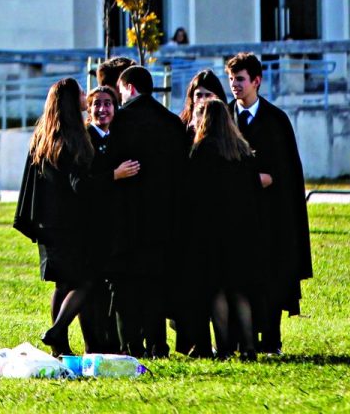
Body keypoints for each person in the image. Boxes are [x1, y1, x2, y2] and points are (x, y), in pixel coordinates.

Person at [226, 52, 312, 355]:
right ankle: (239, 338)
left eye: (240, 79)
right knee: (238, 278)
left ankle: (271, 340)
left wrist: (263, 178)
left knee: (271, 278)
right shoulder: (225, 117)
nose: (235, 85)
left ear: (257, 81)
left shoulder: (276, 120)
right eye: (232, 79)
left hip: (271, 216)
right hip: (235, 217)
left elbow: (284, 172)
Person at [13, 78, 103, 356]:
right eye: (81, 93)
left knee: (62, 284)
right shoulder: (73, 137)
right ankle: (58, 330)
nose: (86, 96)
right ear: (70, 101)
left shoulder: (43, 135)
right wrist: (111, 176)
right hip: (70, 224)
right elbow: (79, 185)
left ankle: (60, 349)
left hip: (46, 222)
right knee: (87, 282)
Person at [105, 65, 186, 358]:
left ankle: (130, 345)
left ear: (128, 88)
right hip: (163, 219)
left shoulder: (122, 121)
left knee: (127, 287)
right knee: (155, 284)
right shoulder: (172, 121)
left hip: (127, 219)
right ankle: (157, 344)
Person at [185, 100, 260, 359]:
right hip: (240, 231)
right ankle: (250, 347)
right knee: (240, 290)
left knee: (216, 290)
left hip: (210, 232)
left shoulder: (202, 149)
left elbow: (193, 195)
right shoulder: (242, 150)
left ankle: (224, 347)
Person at [174, 67, 228, 355]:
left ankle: (225, 343)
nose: (203, 100)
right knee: (191, 288)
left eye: (208, 95)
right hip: (187, 222)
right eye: (198, 95)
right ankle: (195, 343)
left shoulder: (226, 133)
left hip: (216, 223)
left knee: (217, 286)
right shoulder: (182, 131)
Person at [81, 84, 133, 353]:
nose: (102, 109)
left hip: (116, 226)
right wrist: (114, 175)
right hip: (92, 226)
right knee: (91, 288)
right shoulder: (85, 140)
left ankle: (114, 343)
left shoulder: (120, 139)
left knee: (114, 287)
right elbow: (82, 184)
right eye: (96, 104)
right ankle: (94, 343)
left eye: (107, 103)